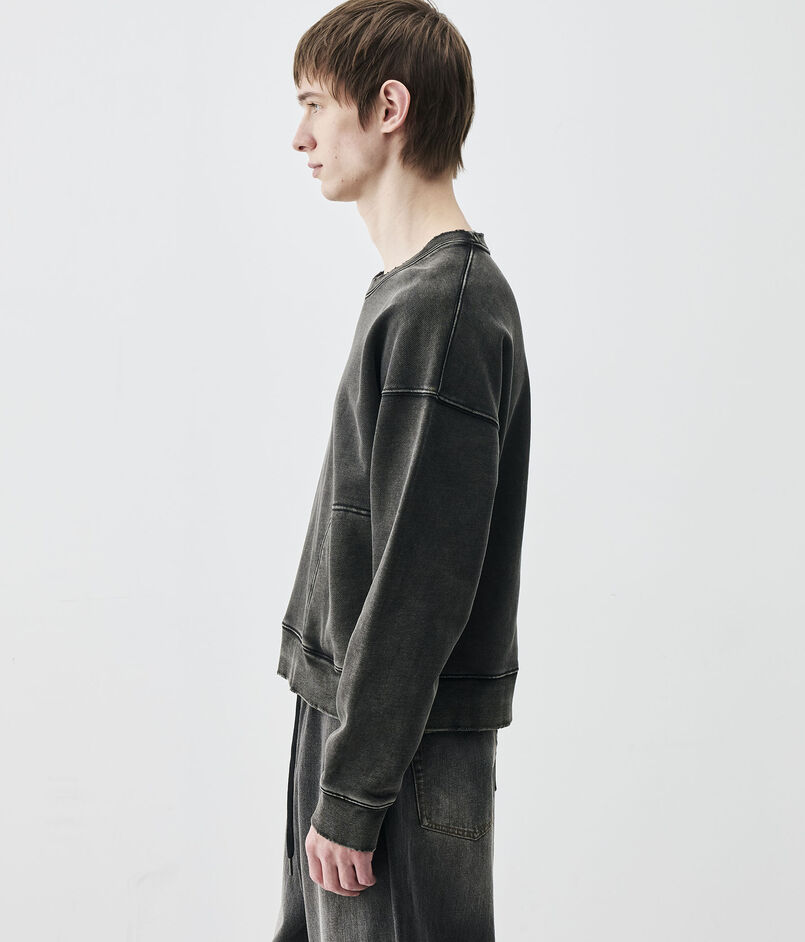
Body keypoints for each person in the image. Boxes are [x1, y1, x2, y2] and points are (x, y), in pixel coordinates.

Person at [272, 1, 531, 939]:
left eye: (314, 104)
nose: (299, 137)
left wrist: (353, 790)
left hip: (395, 750)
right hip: (359, 724)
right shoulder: (408, 295)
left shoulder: (444, 309)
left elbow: (423, 578)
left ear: (387, 107)